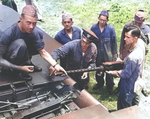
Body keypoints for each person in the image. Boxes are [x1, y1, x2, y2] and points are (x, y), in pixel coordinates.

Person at [0, 5, 66, 81]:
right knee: (20, 43)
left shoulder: (33, 32)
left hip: (21, 50)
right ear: (21, 19)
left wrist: (55, 65)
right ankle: (18, 71)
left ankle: (28, 63)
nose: (31, 26)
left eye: (34, 23)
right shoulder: (8, 33)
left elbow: (42, 52)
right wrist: (20, 68)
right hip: (7, 57)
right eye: (28, 23)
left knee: (38, 36)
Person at [106, 25, 145, 110]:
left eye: (128, 37)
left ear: (135, 38)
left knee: (124, 106)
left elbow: (126, 74)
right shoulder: (140, 43)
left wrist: (113, 72)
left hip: (128, 85)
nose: (124, 39)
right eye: (125, 36)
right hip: (136, 81)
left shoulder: (133, 57)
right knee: (134, 104)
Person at [91, 10, 118, 93]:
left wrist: (114, 54)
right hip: (98, 54)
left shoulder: (110, 29)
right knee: (99, 69)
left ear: (107, 20)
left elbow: (114, 42)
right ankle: (100, 83)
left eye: (104, 20)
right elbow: (91, 41)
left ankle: (109, 86)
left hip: (108, 54)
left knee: (109, 70)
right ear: (98, 18)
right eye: (101, 19)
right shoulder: (93, 28)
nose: (102, 22)